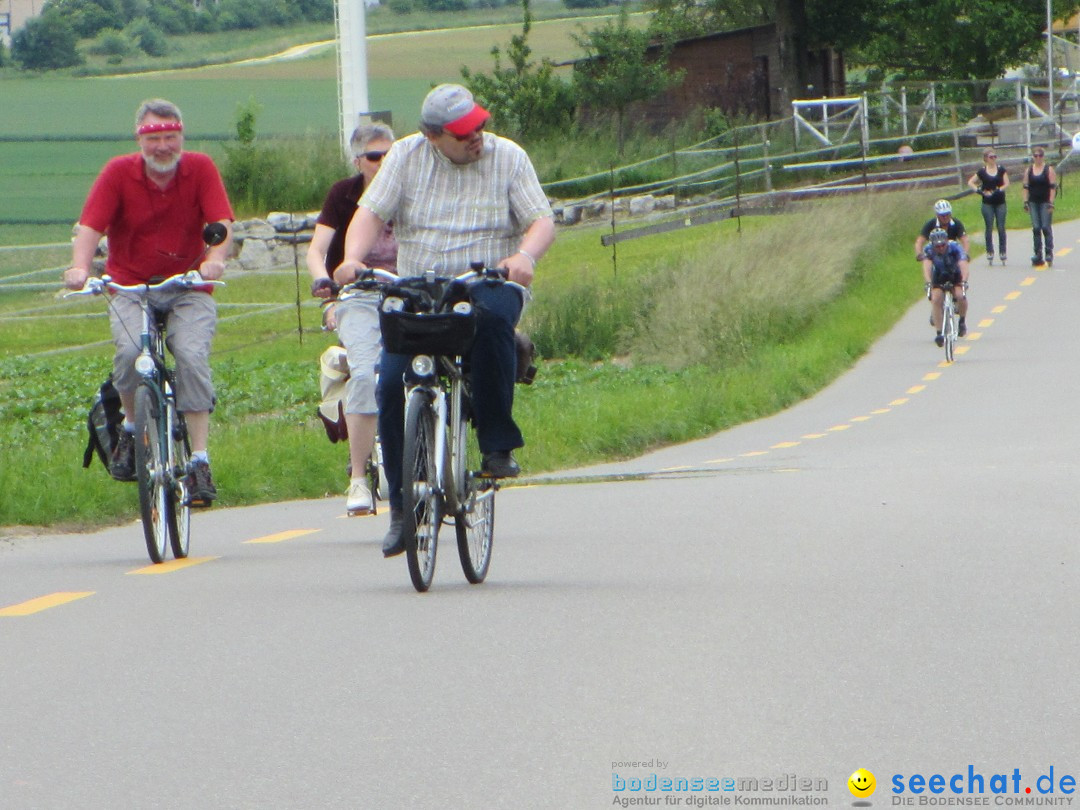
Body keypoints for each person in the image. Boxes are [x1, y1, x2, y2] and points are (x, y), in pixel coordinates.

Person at [334, 83, 555, 558]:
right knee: (389, 381)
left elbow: (541, 220)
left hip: (486, 278)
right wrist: (351, 259)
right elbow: (370, 213)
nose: (476, 136)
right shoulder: (406, 156)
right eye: (462, 133)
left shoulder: (508, 157)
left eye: (478, 125)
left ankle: (497, 444)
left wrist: (524, 255)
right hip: (420, 285)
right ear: (433, 136)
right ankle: (400, 511)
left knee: (494, 321)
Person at [63, 98, 234, 504]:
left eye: (171, 137)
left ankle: (199, 461)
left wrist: (215, 260)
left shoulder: (201, 168)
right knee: (128, 352)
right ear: (140, 139)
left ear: (182, 137)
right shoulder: (119, 173)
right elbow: (90, 226)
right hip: (129, 285)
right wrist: (79, 268)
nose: (163, 147)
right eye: (155, 138)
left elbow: (221, 223)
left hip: (187, 285)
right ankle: (129, 428)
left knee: (191, 356)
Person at [307, 122, 397, 516]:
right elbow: (318, 248)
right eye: (375, 157)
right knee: (364, 374)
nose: (384, 163)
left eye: (391, 155)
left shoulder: (410, 188)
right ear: (359, 160)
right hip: (358, 292)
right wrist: (324, 279)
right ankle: (358, 478)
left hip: (407, 288)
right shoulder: (343, 195)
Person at [922, 227, 969, 347]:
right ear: (932, 245)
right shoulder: (928, 249)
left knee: (960, 295)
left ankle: (962, 322)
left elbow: (963, 265)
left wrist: (963, 280)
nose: (940, 248)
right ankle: (939, 333)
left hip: (954, 274)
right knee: (936, 299)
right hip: (938, 276)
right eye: (937, 246)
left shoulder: (955, 247)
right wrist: (928, 282)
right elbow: (927, 266)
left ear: (947, 242)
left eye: (943, 245)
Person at [967, 147, 1009, 264]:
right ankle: (989, 251)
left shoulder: (1001, 170)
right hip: (987, 203)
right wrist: (979, 191)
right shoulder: (982, 171)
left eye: (995, 157)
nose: (993, 159)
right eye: (991, 157)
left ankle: (1002, 251)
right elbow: (970, 182)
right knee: (989, 227)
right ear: (986, 158)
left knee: (1001, 226)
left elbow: (1007, 183)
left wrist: (999, 189)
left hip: (1000, 202)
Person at [1022, 146, 1057, 266]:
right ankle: (1038, 254)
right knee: (1036, 228)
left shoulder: (1048, 170)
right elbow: (1026, 187)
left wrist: (1051, 202)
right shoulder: (1029, 170)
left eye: (1040, 156)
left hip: (1045, 201)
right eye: (1035, 156)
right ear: (1033, 157)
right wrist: (1025, 202)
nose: (1038, 158)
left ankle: (1049, 252)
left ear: (1043, 157)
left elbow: (1052, 187)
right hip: (1033, 202)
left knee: (1045, 227)